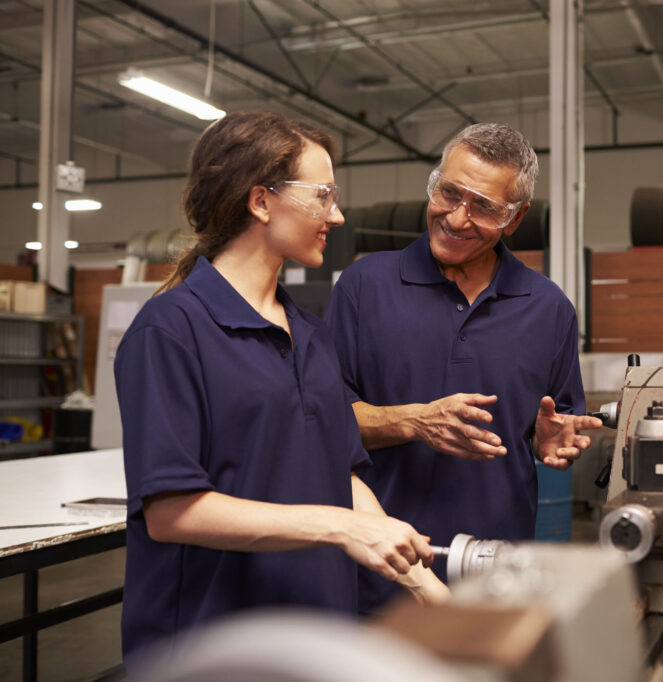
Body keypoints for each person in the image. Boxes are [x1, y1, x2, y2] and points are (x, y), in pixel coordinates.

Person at [114, 111, 447, 662]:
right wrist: (338, 527)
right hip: (210, 650)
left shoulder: (311, 335)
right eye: (322, 195)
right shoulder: (170, 330)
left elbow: (342, 474)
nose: (335, 215)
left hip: (314, 640)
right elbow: (172, 512)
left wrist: (425, 587)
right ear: (261, 201)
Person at [326, 123, 603, 614]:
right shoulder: (364, 287)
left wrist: (552, 441)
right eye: (449, 192)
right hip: (378, 574)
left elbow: (555, 427)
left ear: (514, 220)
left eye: (485, 207)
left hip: (497, 576)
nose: (457, 217)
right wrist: (413, 422)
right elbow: (324, 426)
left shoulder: (548, 308)